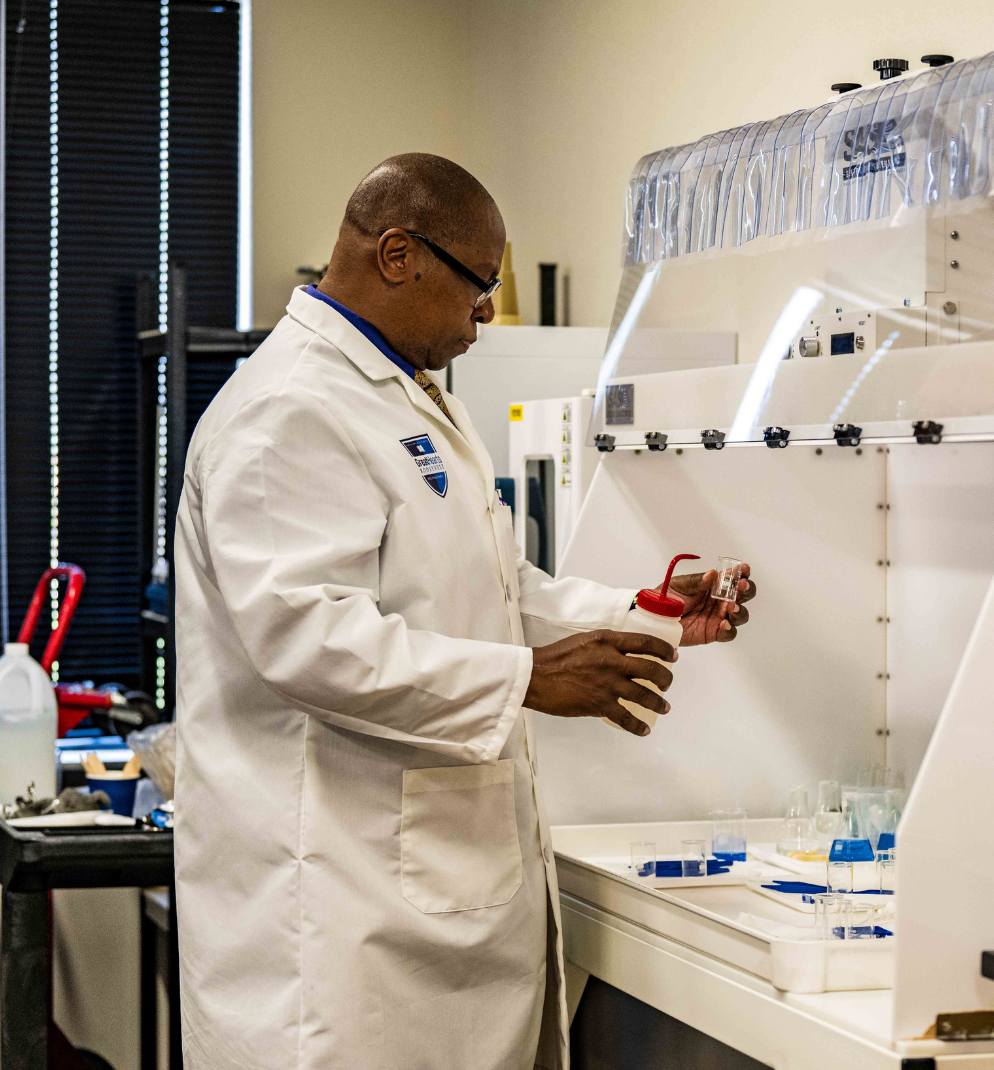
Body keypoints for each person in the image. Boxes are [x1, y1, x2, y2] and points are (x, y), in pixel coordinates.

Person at [173, 153, 755, 1070]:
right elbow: (309, 642)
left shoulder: (404, 398)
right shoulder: (292, 409)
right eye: (479, 290)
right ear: (399, 254)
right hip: (335, 934)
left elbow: (494, 586)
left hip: (420, 912)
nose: (484, 319)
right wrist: (530, 679)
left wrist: (652, 614)